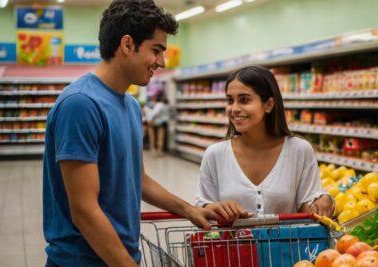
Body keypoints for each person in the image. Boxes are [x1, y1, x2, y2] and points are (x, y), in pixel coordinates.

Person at [42, 1, 220, 266]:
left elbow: (140, 180)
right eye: (156, 50)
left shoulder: (131, 107)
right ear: (127, 45)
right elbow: (84, 209)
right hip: (83, 261)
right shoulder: (81, 104)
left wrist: (191, 211)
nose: (161, 62)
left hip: (118, 257)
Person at [195, 66, 334, 222]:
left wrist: (324, 202)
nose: (234, 109)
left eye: (244, 100)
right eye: (230, 100)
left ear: (269, 104)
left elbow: (307, 210)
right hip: (232, 246)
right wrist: (215, 209)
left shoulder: (299, 150)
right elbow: (203, 207)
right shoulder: (215, 154)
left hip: (285, 246)